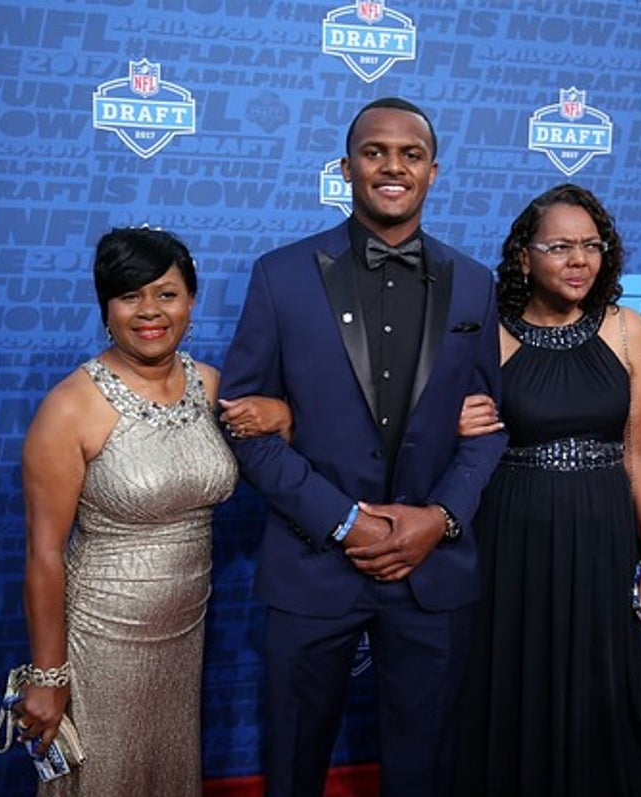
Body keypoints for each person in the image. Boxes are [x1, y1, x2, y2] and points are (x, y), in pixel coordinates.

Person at [218, 97, 508, 797]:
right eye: (375, 151)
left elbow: (488, 426)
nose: (392, 166)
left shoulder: (474, 282)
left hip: (432, 569)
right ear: (345, 167)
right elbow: (246, 427)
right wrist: (346, 521)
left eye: (410, 154)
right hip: (314, 561)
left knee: (424, 767)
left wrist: (437, 519)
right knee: (293, 763)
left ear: (433, 172)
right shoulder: (279, 275)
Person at [17, 227, 287, 795]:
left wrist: (282, 414)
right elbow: (44, 553)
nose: (149, 311)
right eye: (129, 295)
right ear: (105, 308)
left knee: (167, 771)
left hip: (185, 635)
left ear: (191, 300)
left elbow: (283, 443)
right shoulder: (69, 409)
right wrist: (48, 676)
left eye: (166, 294)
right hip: (101, 643)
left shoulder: (212, 386)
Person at [452, 184, 641, 796]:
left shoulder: (629, 331)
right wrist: (454, 423)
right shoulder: (487, 336)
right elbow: (447, 438)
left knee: (599, 677)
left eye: (592, 246)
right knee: (514, 674)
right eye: (560, 247)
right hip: (512, 532)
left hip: (602, 530)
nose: (579, 260)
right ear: (524, 257)